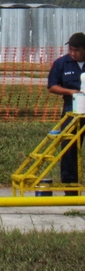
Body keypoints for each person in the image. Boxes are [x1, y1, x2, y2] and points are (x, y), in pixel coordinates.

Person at [47, 32, 85, 195]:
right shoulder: (61, 63)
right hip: (72, 111)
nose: (73, 53)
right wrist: (71, 92)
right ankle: (70, 188)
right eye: (71, 49)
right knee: (69, 149)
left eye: (76, 50)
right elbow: (52, 86)